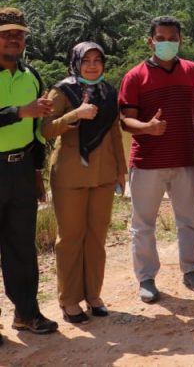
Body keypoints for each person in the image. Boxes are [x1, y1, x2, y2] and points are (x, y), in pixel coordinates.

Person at [119, 15, 194, 303]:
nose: (167, 43)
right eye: (161, 38)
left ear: (180, 40)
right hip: (147, 162)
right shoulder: (135, 76)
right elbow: (125, 120)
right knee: (143, 224)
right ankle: (146, 278)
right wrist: (147, 128)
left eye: (172, 38)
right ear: (151, 41)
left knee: (189, 220)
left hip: (185, 158)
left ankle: (191, 271)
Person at [43, 42, 126, 323]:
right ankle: (68, 300)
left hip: (103, 174)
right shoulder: (62, 90)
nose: (92, 65)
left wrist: (121, 170)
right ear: (75, 62)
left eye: (97, 60)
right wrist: (75, 114)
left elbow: (114, 132)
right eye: (86, 60)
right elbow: (46, 129)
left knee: (96, 237)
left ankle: (93, 295)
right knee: (70, 239)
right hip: (70, 174)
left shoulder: (108, 91)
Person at [0, 7, 58, 337]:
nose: (14, 39)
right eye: (7, 33)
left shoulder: (32, 76)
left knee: (22, 247)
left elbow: (36, 129)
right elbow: (26, 114)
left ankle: (26, 313)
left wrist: (37, 171)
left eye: (19, 34)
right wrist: (19, 111)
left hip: (21, 168)